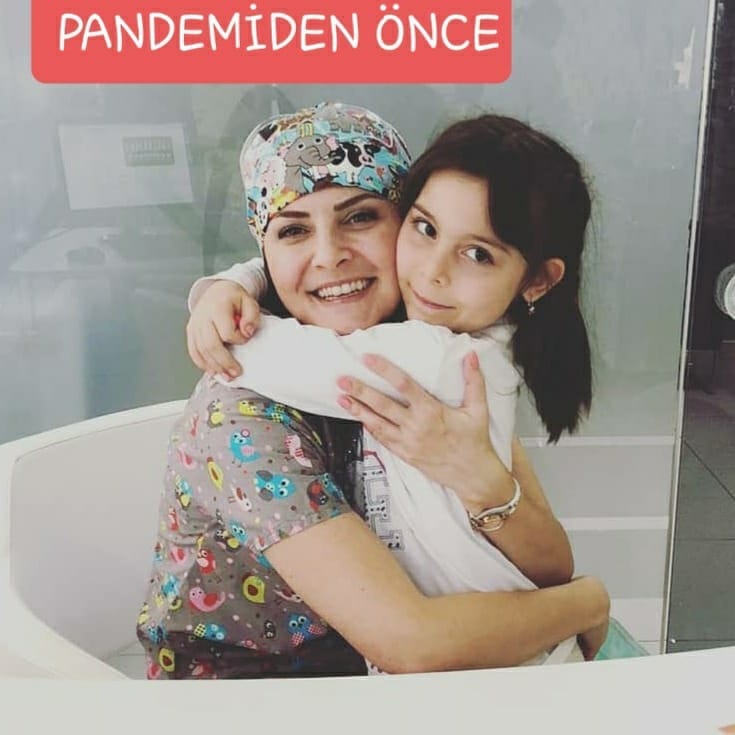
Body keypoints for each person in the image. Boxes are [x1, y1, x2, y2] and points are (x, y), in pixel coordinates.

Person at [138, 102, 609, 679]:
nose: (329, 255)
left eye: (361, 217)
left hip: (428, 668)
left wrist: (481, 481)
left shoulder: (433, 348)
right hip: (257, 700)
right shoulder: (243, 415)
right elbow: (412, 643)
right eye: (292, 230)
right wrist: (586, 604)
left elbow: (551, 563)